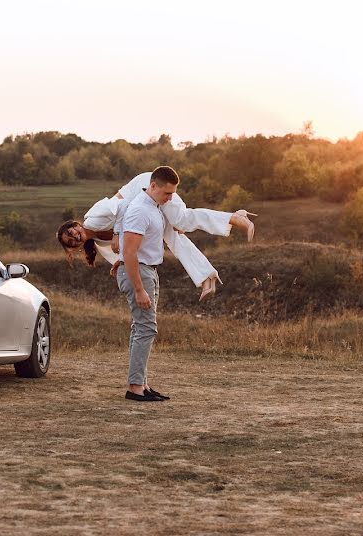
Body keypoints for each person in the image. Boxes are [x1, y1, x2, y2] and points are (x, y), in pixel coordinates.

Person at [57, 171, 256, 300]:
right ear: (76, 247)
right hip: (144, 207)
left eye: (70, 232)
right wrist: (119, 261)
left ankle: (235, 217)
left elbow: (123, 206)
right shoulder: (99, 243)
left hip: (145, 187)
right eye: (71, 241)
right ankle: (206, 277)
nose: (74, 236)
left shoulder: (92, 216)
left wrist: (117, 233)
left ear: (75, 224)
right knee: (172, 237)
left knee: (181, 220)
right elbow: (128, 251)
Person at [117, 165, 182, 401]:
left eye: (173, 193)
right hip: (140, 273)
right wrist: (138, 288)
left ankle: (141, 383)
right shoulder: (140, 210)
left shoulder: (153, 207)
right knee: (146, 328)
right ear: (153, 186)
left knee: (141, 328)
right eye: (167, 193)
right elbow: (130, 251)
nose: (170, 198)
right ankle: (135, 387)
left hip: (148, 270)